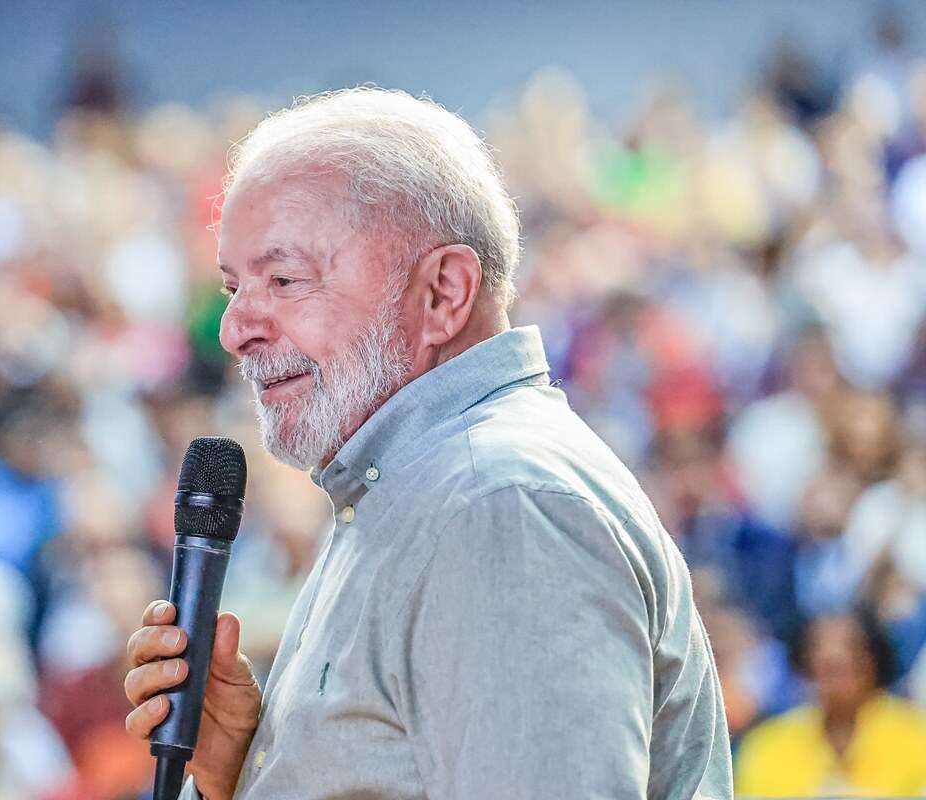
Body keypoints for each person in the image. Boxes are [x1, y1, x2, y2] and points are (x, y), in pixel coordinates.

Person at [122, 87, 732, 799]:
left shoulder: (499, 506)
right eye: (233, 287)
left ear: (443, 292)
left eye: (283, 279)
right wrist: (249, 773)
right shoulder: (415, 485)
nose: (235, 330)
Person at [734, 609, 926, 796]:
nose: (834, 658)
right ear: (804, 666)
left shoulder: (917, 734)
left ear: (875, 661)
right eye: (825, 666)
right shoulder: (767, 743)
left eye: (851, 651)